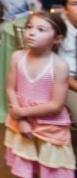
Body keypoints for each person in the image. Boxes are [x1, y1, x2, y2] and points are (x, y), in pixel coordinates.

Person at [5, 11, 75, 178]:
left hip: (49, 126)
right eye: (29, 27)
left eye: (41, 29)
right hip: (22, 121)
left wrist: (21, 113)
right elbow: (10, 89)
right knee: (27, 163)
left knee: (50, 167)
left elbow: (56, 105)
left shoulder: (59, 66)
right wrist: (20, 120)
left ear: (57, 39)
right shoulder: (17, 57)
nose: (31, 32)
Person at [59, 0, 77, 153]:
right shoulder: (61, 34)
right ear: (65, 10)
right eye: (74, 4)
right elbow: (64, 74)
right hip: (67, 82)